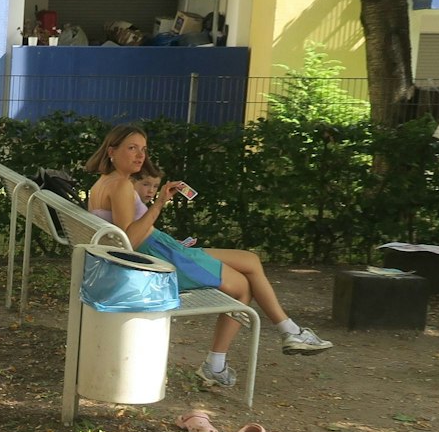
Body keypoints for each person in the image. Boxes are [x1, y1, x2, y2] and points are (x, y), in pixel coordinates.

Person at [84, 124, 332, 389]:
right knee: (242, 288)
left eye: (143, 149)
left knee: (250, 261)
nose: (140, 155)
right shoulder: (121, 184)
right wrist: (158, 204)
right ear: (112, 151)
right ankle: (275, 338)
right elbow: (129, 242)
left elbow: (127, 236)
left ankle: (284, 334)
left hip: (162, 249)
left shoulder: (103, 183)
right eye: (132, 148)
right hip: (159, 257)